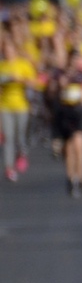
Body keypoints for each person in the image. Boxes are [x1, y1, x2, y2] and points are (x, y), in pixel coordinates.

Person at [49, 53, 82, 197]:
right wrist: (59, 86)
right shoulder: (58, 74)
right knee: (68, 149)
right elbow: (51, 93)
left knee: (79, 146)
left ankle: (80, 180)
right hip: (64, 114)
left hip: (78, 113)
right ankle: (71, 179)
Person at [0, 35, 34, 181]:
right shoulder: (2, 66)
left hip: (21, 105)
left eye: (10, 49)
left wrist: (19, 79)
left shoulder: (23, 64)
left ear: (15, 50)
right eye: (5, 50)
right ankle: (9, 168)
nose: (8, 52)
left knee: (20, 135)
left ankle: (22, 153)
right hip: (5, 105)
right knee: (8, 137)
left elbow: (33, 82)